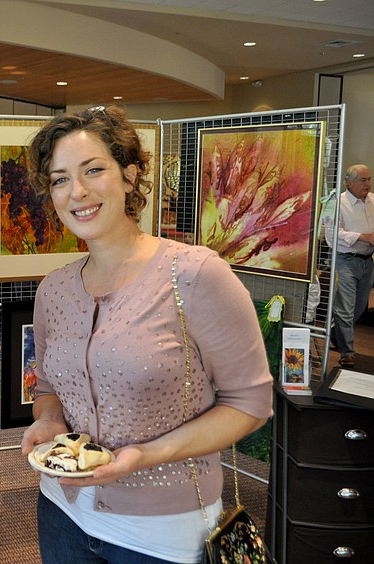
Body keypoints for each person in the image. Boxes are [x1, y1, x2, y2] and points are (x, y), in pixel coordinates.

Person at [20, 106, 274, 564]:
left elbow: (250, 405)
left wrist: (147, 455)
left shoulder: (194, 275)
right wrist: (50, 421)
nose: (77, 192)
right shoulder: (53, 289)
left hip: (164, 533)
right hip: (62, 511)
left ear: (130, 176)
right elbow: (49, 387)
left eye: (93, 170)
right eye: (59, 179)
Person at [325, 163, 374, 368]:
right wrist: (362, 236)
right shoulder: (335, 202)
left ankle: (335, 333)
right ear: (349, 182)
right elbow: (331, 235)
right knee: (345, 307)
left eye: (369, 179)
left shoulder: (372, 201)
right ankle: (347, 352)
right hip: (345, 260)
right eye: (363, 180)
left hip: (367, 261)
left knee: (360, 307)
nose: (368, 183)